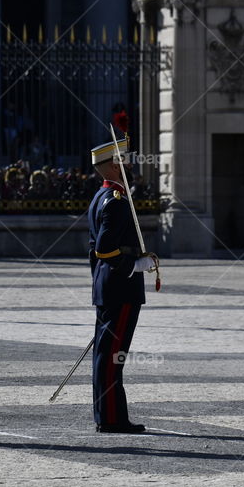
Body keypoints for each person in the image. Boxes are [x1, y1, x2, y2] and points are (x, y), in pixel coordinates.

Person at [87, 135, 157, 434]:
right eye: (124, 160)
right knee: (114, 355)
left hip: (108, 287)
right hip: (121, 287)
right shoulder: (115, 202)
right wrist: (135, 266)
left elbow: (94, 253)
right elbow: (104, 248)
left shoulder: (101, 196)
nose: (128, 165)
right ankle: (112, 418)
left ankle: (107, 415)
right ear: (113, 166)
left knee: (106, 354)